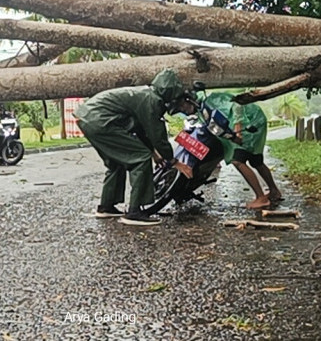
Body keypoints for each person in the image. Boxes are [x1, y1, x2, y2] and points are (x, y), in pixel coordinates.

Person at [74, 68, 194, 226]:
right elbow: (158, 136)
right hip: (101, 121)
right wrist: (173, 161)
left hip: (88, 117)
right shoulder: (152, 100)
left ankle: (106, 207)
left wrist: (155, 155)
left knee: (116, 161)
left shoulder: (145, 94)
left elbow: (141, 131)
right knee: (140, 159)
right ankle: (134, 212)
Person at [205, 92, 283, 209]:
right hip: (248, 125)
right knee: (256, 160)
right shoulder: (200, 111)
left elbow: (237, 104)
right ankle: (274, 191)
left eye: (182, 106)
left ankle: (260, 198)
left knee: (237, 161)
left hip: (252, 121)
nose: (183, 110)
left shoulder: (212, 100)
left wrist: (238, 128)